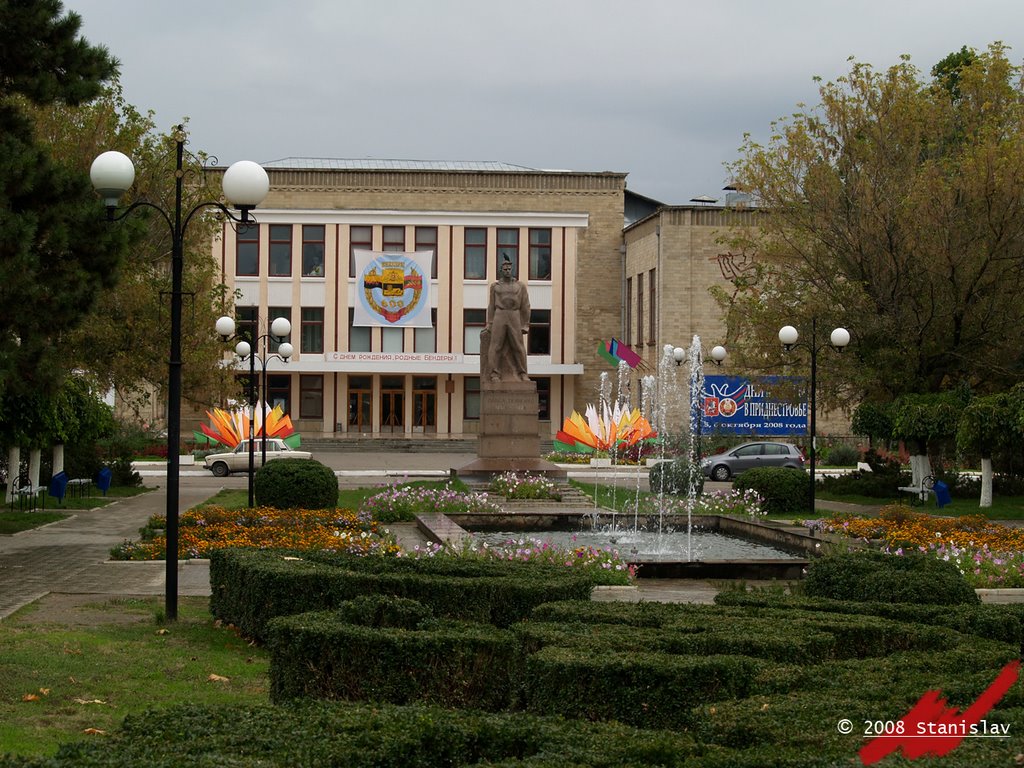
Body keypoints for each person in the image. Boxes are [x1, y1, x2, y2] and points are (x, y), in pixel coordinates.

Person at [484, 255, 530, 382]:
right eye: (505, 269)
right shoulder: (495, 286)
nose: (507, 271)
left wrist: (525, 324)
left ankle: (523, 373)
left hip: (514, 314)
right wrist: (490, 322)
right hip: (500, 314)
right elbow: (491, 305)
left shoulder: (520, 286)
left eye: (509, 269)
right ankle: (494, 373)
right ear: (501, 271)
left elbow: (525, 306)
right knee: (495, 346)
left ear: (512, 269)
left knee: (518, 346)